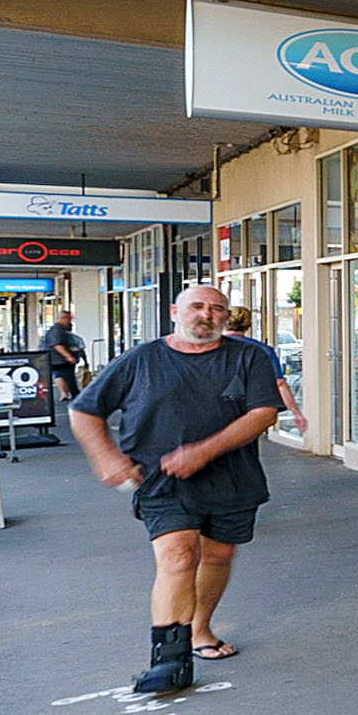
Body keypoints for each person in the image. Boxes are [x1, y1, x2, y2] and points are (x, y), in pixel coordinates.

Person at [67, 283, 283, 693]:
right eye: (197, 306)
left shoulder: (247, 357)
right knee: (179, 556)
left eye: (217, 309)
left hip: (233, 479)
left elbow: (263, 413)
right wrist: (107, 459)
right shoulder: (141, 359)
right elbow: (84, 411)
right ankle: (168, 661)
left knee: (217, 556)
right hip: (163, 480)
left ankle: (200, 629)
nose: (207, 315)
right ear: (174, 311)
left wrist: (202, 452)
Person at [226, 304, 307, 437]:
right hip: (247, 413)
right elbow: (279, 382)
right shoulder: (262, 350)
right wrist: (296, 412)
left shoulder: (208, 347)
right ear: (248, 324)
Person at [37, 307, 85, 407]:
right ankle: (77, 399)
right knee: (68, 378)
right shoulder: (57, 331)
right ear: (63, 318)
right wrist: (68, 356)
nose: (70, 321)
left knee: (64, 377)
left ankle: (73, 396)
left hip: (59, 360)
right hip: (58, 360)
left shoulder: (62, 330)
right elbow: (57, 345)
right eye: (69, 319)